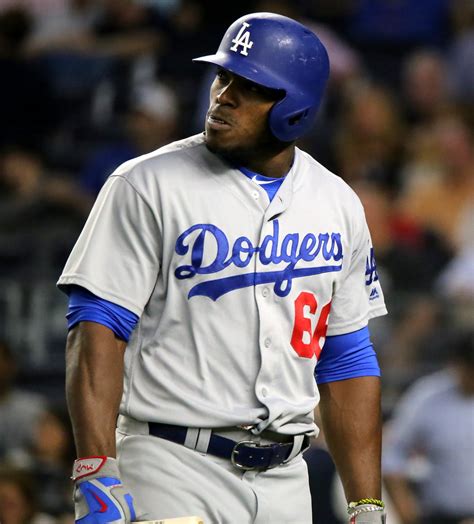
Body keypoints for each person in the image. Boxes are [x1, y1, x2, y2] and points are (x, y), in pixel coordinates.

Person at [58, 12, 388, 524]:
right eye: (224, 76)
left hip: (287, 478)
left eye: (250, 86)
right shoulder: (146, 184)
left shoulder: (337, 203)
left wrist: (366, 503)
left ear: (296, 109)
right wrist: (97, 467)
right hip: (170, 466)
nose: (223, 95)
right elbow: (97, 326)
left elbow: (347, 359)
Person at [383, 330, 474, 524]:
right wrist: (406, 512)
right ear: (458, 364)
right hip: (441, 516)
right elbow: (392, 455)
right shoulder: (428, 396)